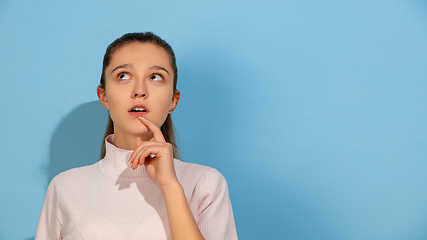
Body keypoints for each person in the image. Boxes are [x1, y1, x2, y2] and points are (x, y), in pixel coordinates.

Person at [35, 32, 238, 240]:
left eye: (155, 77)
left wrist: (170, 186)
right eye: (123, 76)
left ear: (173, 101)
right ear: (103, 97)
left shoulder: (205, 184)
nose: (139, 90)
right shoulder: (65, 187)